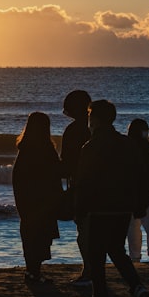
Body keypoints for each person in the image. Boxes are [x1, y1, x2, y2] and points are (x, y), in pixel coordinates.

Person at [75, 100, 149, 297]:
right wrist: (140, 204)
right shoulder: (127, 144)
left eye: (90, 117)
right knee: (117, 250)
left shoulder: (90, 147)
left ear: (95, 119)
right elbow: (140, 176)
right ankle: (137, 287)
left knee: (96, 257)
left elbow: (84, 182)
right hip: (123, 207)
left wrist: (79, 210)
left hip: (99, 209)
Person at [12, 112, 63, 283]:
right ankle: (35, 271)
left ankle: (31, 271)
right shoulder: (47, 149)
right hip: (43, 199)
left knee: (29, 233)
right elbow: (56, 173)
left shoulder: (24, 148)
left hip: (26, 198)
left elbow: (17, 176)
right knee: (41, 234)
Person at [59, 89, 92, 284]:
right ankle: (92, 270)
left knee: (84, 232)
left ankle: (89, 271)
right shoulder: (94, 128)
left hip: (81, 186)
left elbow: (67, 164)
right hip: (99, 187)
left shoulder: (72, 131)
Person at [126, 119, 149, 263]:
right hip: (145, 188)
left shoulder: (126, 146)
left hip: (128, 189)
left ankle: (134, 255)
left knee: (132, 224)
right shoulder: (145, 147)